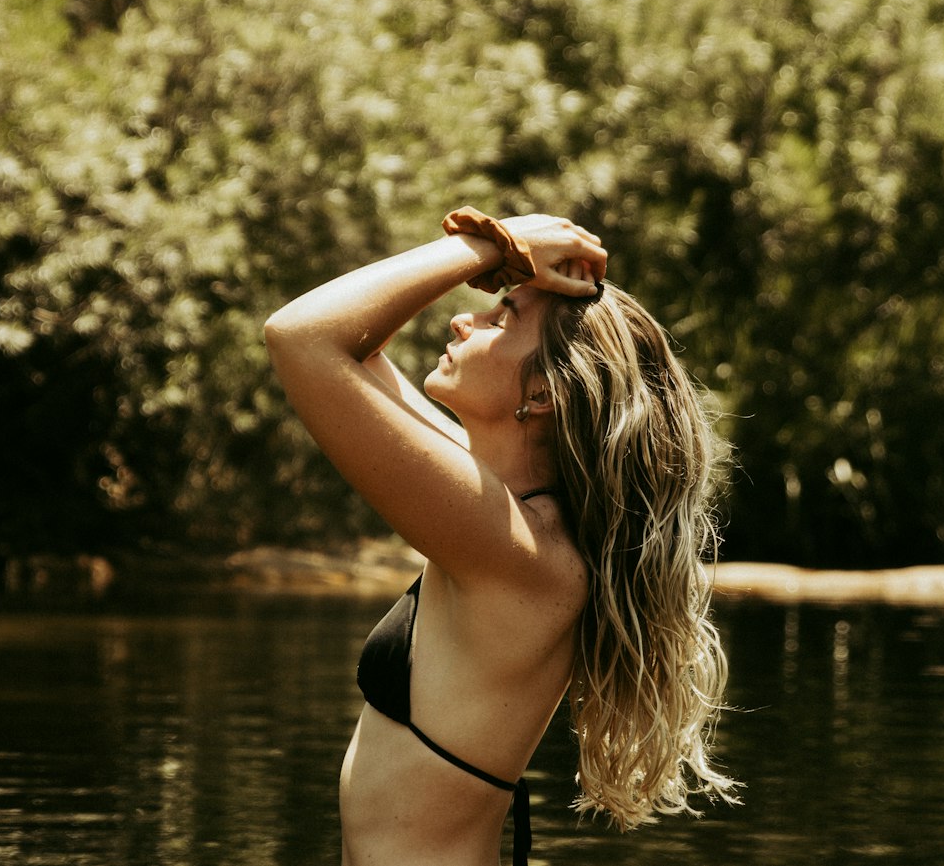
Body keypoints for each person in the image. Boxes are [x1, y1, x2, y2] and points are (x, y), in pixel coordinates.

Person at [264, 207, 735, 866]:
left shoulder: (521, 551)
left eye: (501, 316)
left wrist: (488, 246)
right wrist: (504, 255)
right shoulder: (503, 516)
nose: (465, 317)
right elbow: (354, 347)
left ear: (540, 391)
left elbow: (301, 335)